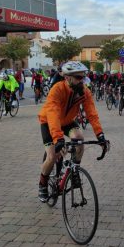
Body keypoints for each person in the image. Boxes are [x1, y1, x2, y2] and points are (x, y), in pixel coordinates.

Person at [37, 61, 109, 203]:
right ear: (68, 78)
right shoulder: (57, 89)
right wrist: (58, 139)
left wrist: (100, 135)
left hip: (68, 121)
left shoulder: (84, 92)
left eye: (83, 77)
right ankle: (42, 184)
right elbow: (52, 114)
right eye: (78, 77)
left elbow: (92, 114)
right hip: (49, 121)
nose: (82, 80)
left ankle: (75, 169)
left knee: (79, 138)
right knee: (52, 156)